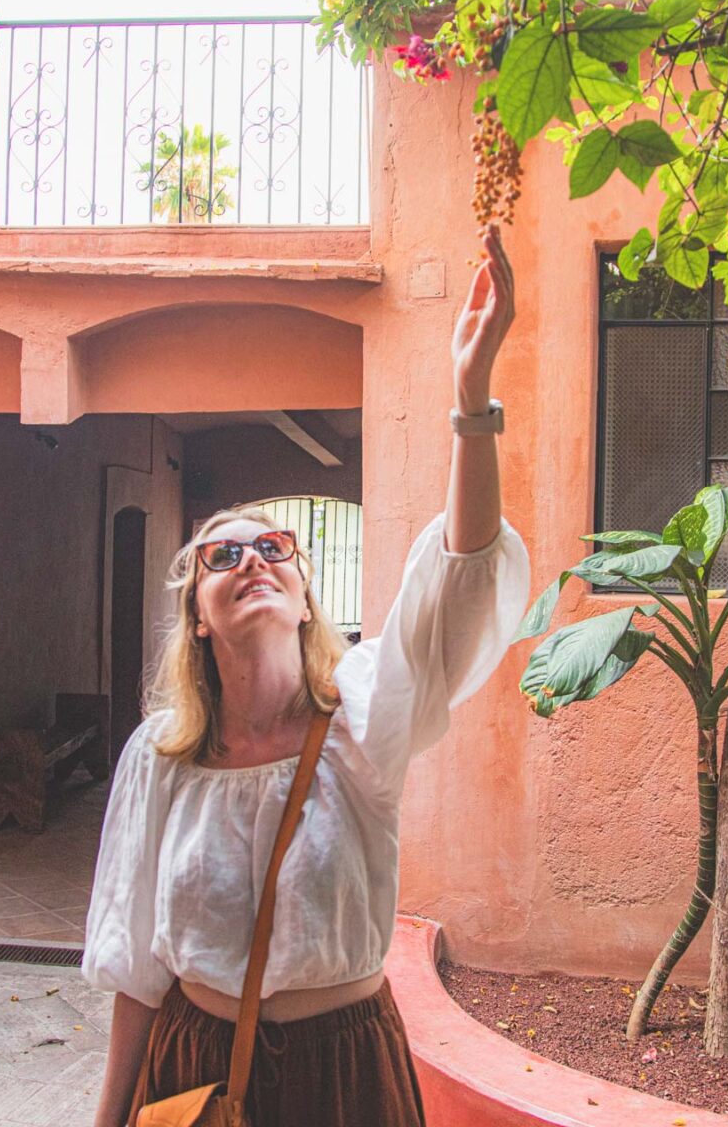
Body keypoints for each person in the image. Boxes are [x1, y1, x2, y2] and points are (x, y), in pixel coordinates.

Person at [84, 223, 531, 1127]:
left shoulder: (364, 716)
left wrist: (470, 399)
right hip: (191, 1070)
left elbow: (460, 582)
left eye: (273, 548)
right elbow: (136, 962)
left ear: (302, 599)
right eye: (222, 555)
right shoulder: (159, 758)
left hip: (345, 1080)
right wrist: (106, 1117)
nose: (251, 558)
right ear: (198, 624)